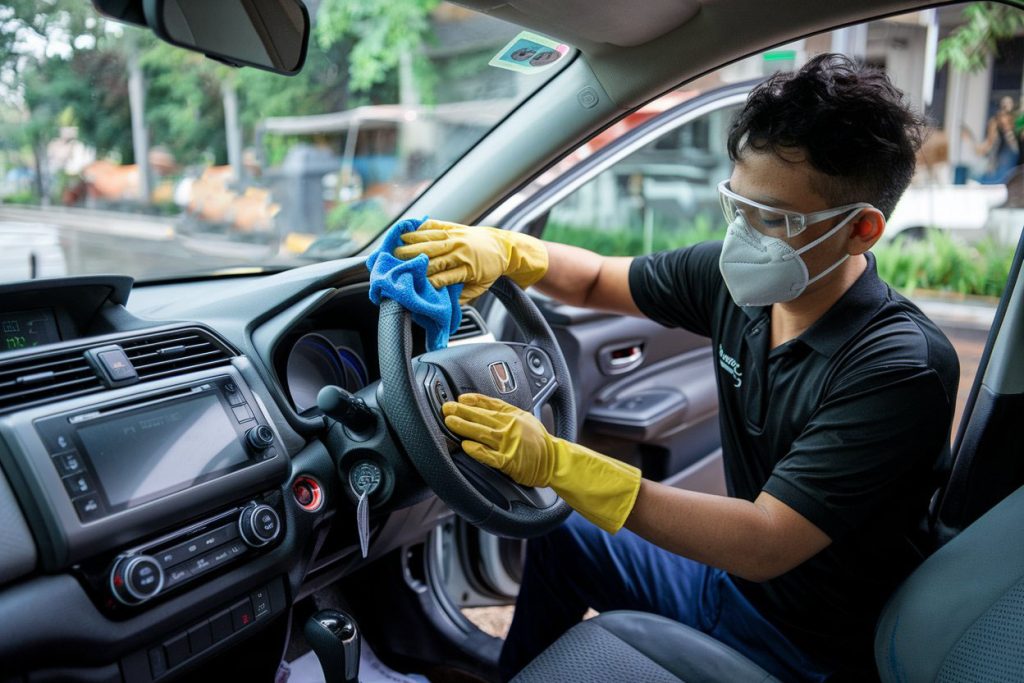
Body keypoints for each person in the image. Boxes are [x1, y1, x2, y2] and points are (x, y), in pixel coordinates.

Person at [393, 54, 959, 682]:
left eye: (773, 219)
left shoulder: (899, 366)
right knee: (562, 534)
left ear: (862, 230)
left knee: (574, 513)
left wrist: (560, 463)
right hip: (730, 588)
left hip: (812, 650)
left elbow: (765, 540)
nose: (745, 235)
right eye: (736, 205)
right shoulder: (738, 283)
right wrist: (505, 250)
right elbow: (599, 279)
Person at [974, 95, 1021, 184]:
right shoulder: (995, 124)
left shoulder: (1017, 125)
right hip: (999, 170)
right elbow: (987, 145)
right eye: (1004, 105)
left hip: (1013, 171)